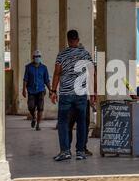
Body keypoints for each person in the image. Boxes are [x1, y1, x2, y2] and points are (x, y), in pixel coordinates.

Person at [51, 30, 97, 162]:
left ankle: (65, 151)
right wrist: (93, 93)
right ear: (78, 39)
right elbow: (92, 74)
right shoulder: (85, 54)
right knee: (82, 123)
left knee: (63, 123)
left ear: (68, 40)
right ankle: (80, 152)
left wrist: (53, 91)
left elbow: (57, 73)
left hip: (66, 94)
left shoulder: (61, 55)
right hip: (81, 94)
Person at [22, 50, 52, 131]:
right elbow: (25, 79)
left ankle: (38, 125)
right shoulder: (28, 67)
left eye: (39, 56)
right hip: (31, 91)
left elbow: (47, 80)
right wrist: (24, 90)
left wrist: (50, 90)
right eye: (36, 57)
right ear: (33, 58)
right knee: (31, 106)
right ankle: (34, 117)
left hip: (41, 91)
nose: (37, 58)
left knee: (40, 108)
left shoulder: (44, 68)